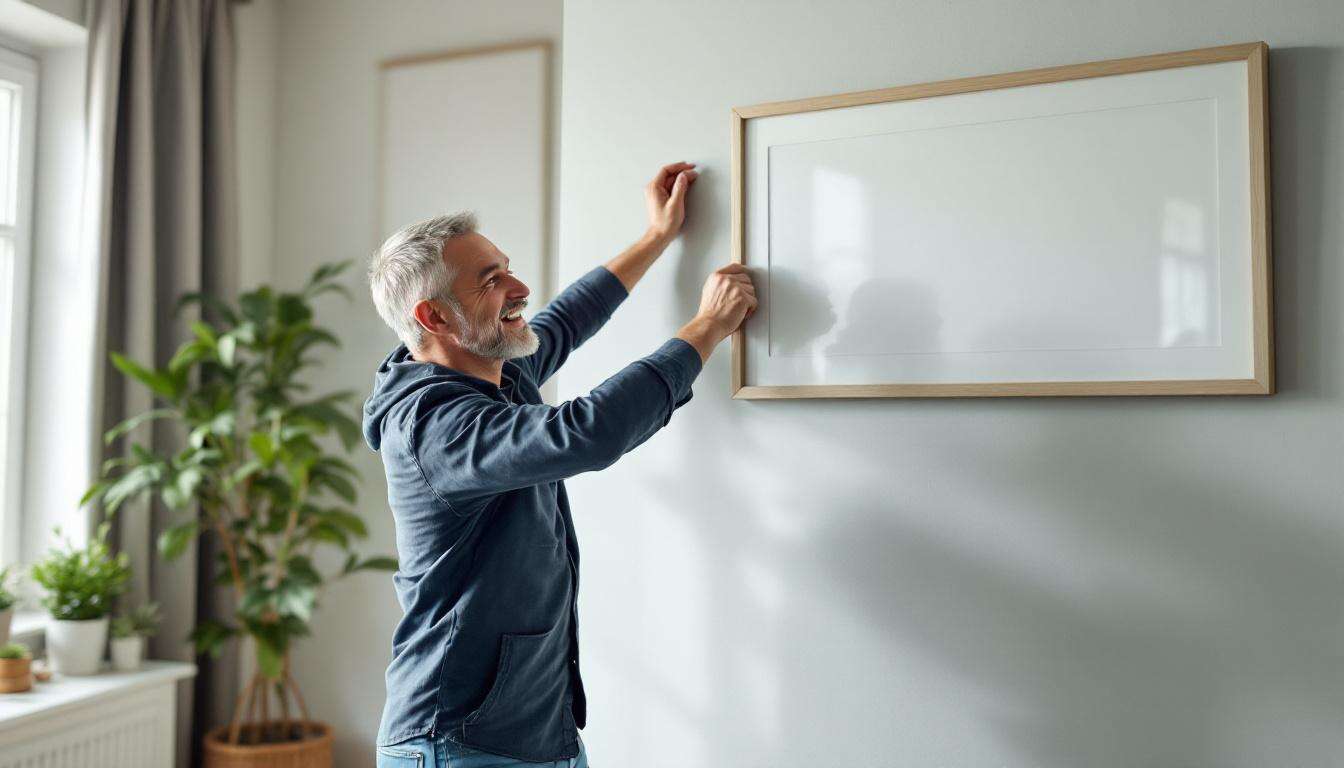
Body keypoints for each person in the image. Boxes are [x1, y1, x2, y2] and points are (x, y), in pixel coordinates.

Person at [363, 162, 756, 767]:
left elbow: (567, 319)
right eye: (490, 280)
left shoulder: (492, 371)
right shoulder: (436, 426)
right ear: (435, 318)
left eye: (507, 267)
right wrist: (706, 327)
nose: (518, 288)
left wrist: (656, 237)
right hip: (457, 745)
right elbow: (588, 432)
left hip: (536, 738)